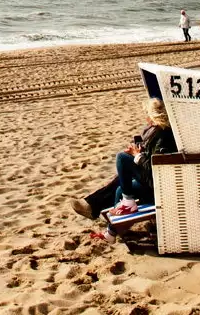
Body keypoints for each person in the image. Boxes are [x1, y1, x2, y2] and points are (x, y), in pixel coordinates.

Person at [70, 98, 177, 243]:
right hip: (154, 179)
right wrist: (140, 151)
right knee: (120, 188)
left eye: (148, 115)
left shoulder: (163, 135)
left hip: (157, 183)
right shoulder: (156, 132)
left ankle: (112, 204)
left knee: (122, 158)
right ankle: (111, 232)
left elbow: (156, 166)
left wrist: (137, 155)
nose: (146, 118)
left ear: (154, 116)